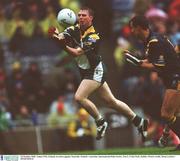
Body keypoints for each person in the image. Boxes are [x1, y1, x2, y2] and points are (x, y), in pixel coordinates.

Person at [48, 7, 148, 141]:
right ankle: (138, 121)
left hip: (95, 70)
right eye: (79, 15)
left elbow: (76, 52)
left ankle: (100, 122)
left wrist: (62, 45)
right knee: (111, 102)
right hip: (86, 70)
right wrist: (55, 35)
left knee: (79, 97)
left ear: (91, 18)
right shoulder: (73, 29)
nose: (81, 17)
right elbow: (61, 36)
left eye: (84, 15)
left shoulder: (94, 37)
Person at [125, 15, 180, 150]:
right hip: (171, 78)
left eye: (132, 28)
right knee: (174, 113)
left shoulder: (154, 41)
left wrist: (137, 63)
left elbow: (157, 66)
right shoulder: (151, 40)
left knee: (166, 114)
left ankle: (167, 136)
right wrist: (136, 59)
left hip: (175, 77)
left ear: (138, 28)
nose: (131, 31)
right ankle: (167, 136)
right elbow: (153, 62)